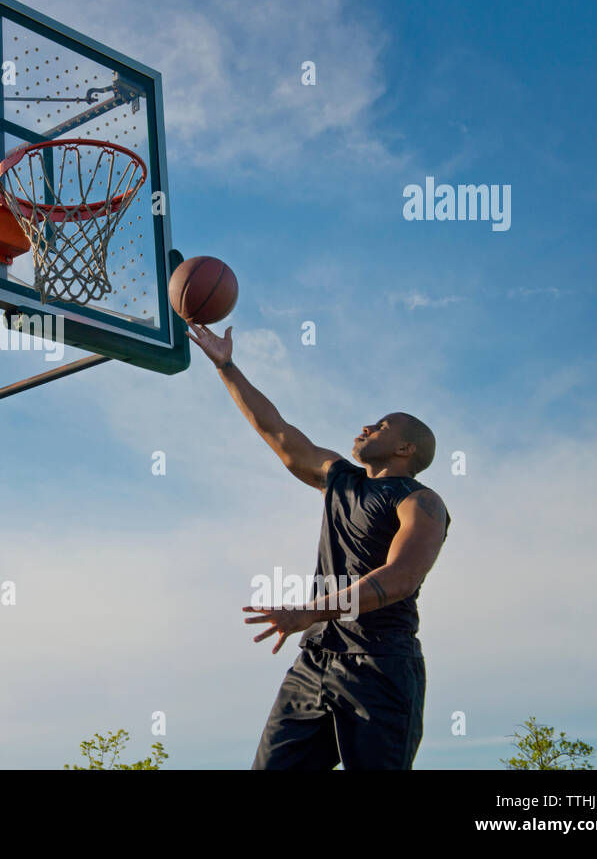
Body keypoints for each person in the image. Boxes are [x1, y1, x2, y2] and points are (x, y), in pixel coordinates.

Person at [187, 322, 451, 769]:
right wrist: (226, 366)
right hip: (315, 662)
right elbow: (278, 432)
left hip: (381, 663)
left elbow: (403, 576)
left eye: (383, 425)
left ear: (405, 448)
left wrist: (313, 610)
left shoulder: (420, 501)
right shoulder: (340, 478)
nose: (368, 425)